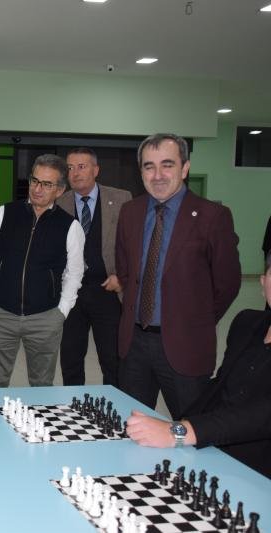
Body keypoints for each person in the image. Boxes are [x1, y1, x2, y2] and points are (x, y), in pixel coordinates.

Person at [115, 133, 241, 420]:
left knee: (190, 429)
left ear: (185, 168)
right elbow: (125, 270)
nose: (158, 175)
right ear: (141, 172)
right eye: (149, 166)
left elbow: (227, 283)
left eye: (167, 165)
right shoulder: (130, 211)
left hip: (186, 346)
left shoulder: (213, 216)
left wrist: (195, 321)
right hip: (134, 344)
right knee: (133, 426)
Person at [126, 252, 271, 479]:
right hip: (212, 451)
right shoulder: (246, 323)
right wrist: (176, 424)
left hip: (257, 474)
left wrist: (177, 432)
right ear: (263, 283)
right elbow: (220, 389)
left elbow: (259, 416)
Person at [0, 154, 84, 389]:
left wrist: (61, 312)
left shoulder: (70, 226)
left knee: (42, 385)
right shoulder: (4, 214)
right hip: (0, 313)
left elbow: (74, 274)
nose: (37, 189)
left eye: (47, 184)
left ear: (60, 190)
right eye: (34, 180)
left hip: (45, 318)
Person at [57, 148, 131, 386]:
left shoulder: (121, 199)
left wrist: (122, 277)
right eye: (70, 168)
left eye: (82, 166)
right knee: (70, 358)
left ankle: (113, 404)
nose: (75, 173)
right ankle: (73, 403)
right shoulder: (60, 202)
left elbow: (134, 245)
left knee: (112, 359)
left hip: (108, 290)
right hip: (72, 293)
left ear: (96, 170)